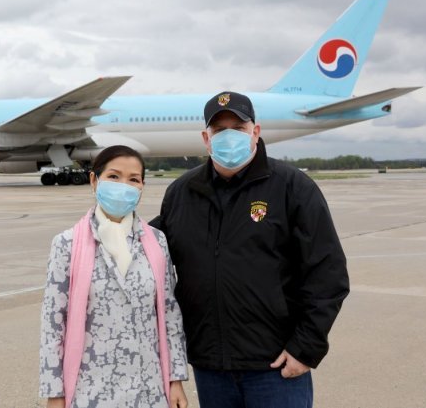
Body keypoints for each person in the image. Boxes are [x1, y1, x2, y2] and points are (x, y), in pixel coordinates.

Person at [150, 92, 350, 408]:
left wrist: (305, 348)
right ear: (206, 138)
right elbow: (147, 251)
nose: (229, 135)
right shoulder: (181, 194)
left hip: (275, 368)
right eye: (219, 130)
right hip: (211, 368)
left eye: (238, 128)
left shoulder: (292, 187)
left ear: (255, 132)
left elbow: (328, 274)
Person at [39, 145, 189, 408]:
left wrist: (175, 379)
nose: (123, 185)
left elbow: (169, 312)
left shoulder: (156, 241)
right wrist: (55, 394)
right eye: (114, 176)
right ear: (94, 180)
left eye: (133, 179)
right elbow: (53, 325)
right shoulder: (66, 244)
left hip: (149, 389)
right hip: (91, 391)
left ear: (142, 186)